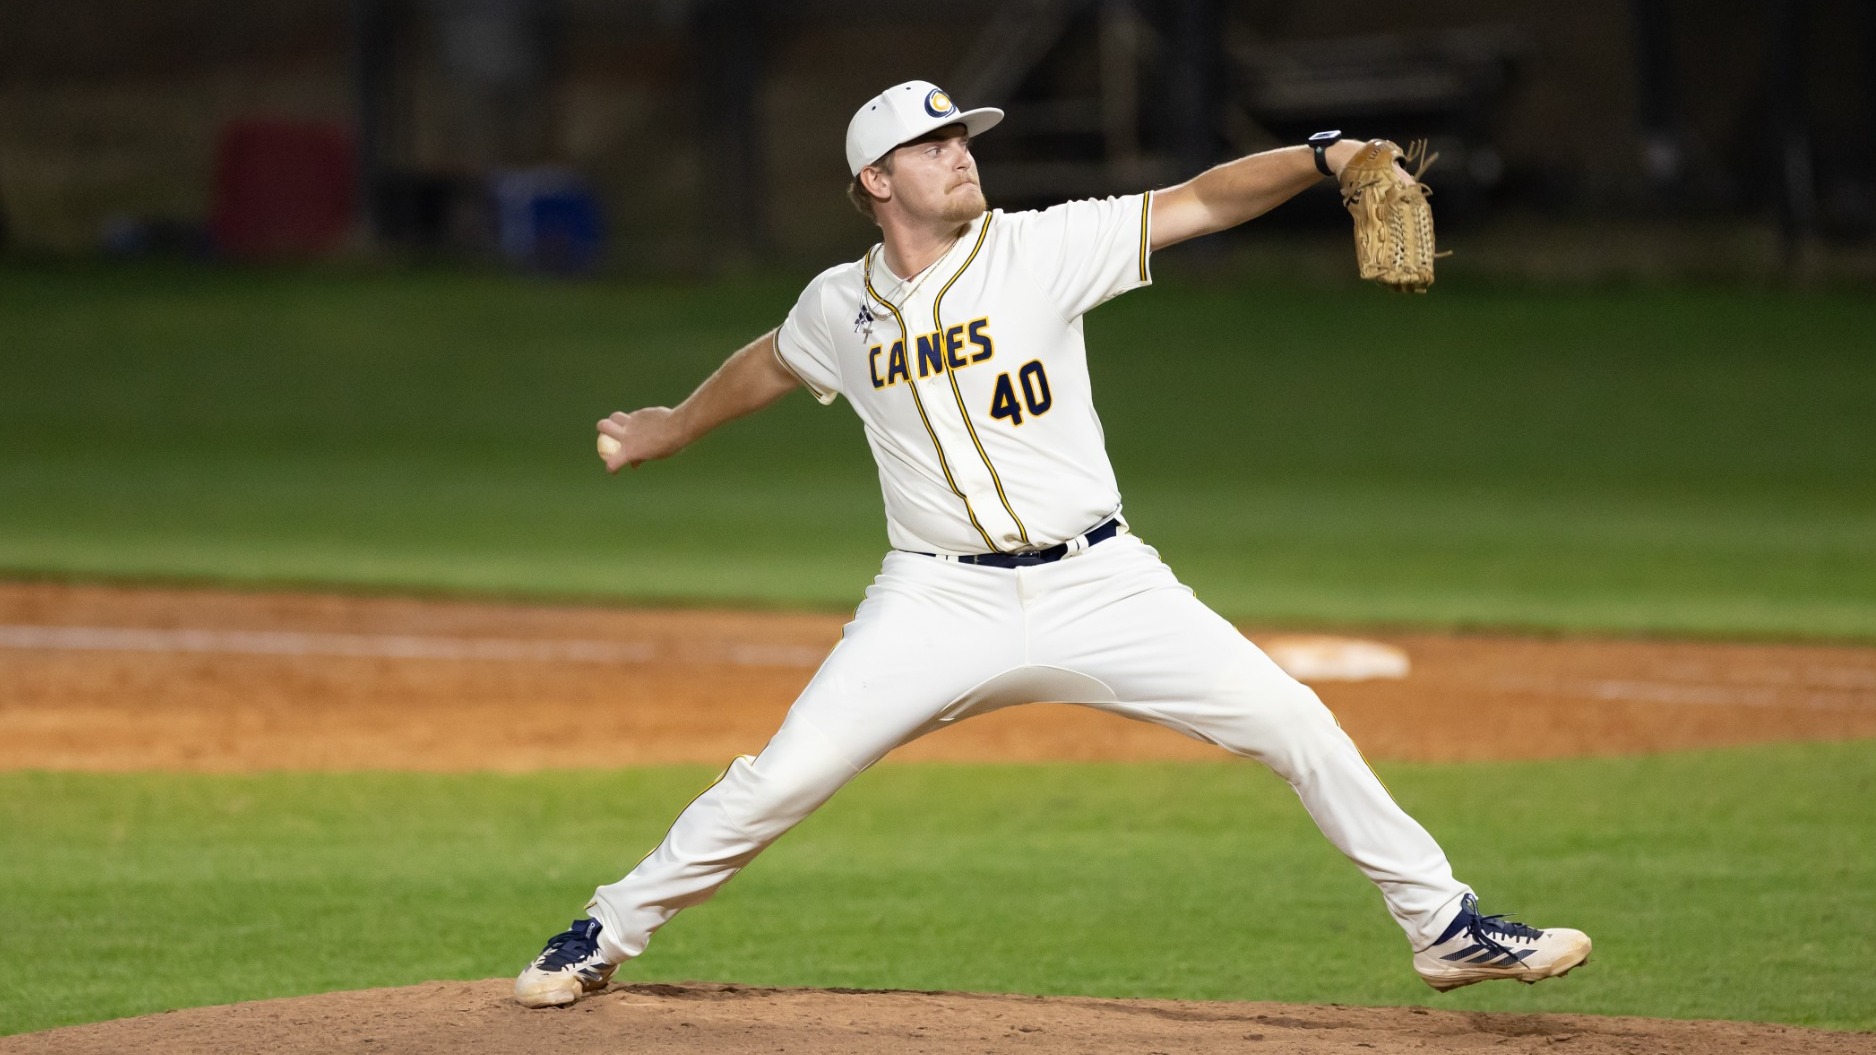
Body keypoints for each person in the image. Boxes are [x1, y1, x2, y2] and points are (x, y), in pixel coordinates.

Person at [514, 81, 1590, 1009]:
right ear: (876, 181)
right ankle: (603, 932)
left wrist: (1324, 157)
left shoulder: (1040, 247)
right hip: (934, 603)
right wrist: (670, 424)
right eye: (933, 146)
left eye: (962, 138)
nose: (959, 154)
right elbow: (773, 362)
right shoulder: (839, 305)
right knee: (779, 777)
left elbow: (1204, 197)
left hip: (1103, 583)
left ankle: (1441, 925)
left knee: (1291, 720)